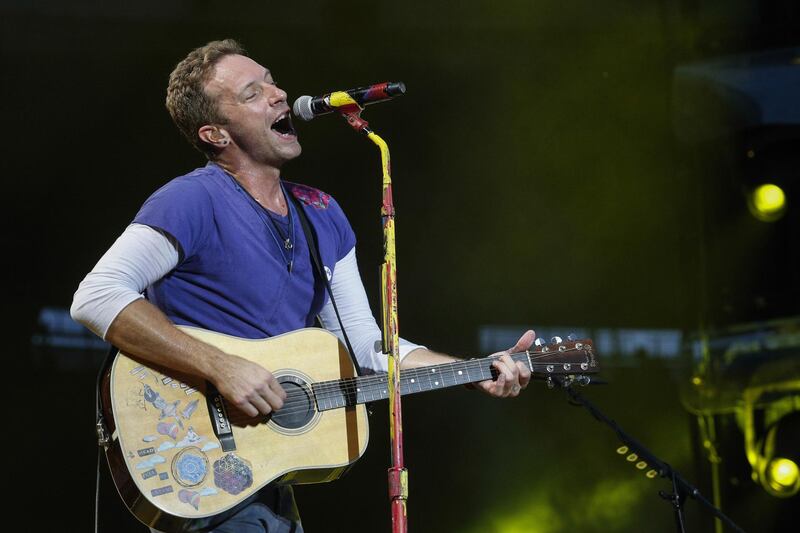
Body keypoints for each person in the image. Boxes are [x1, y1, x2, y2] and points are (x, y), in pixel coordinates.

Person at [71, 39, 533, 533]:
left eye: (271, 81)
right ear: (215, 133)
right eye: (252, 93)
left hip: (268, 472)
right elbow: (97, 296)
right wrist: (221, 367)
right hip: (199, 454)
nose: (278, 94)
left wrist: (472, 370)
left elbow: (366, 347)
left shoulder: (321, 212)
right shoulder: (189, 200)